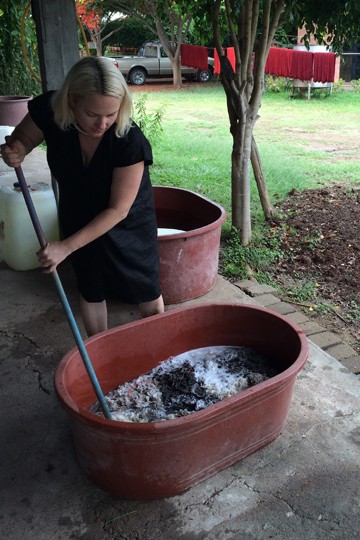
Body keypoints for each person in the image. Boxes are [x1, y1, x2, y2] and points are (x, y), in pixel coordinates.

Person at [1, 56, 164, 336]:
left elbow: (118, 210)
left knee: (145, 289)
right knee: (91, 286)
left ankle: (156, 352)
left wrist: (65, 247)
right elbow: (24, 139)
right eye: (92, 114)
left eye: (111, 114)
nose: (103, 124)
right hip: (78, 211)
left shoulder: (129, 140)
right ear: (72, 101)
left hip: (127, 223)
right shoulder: (52, 111)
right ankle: (99, 349)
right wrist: (18, 150)